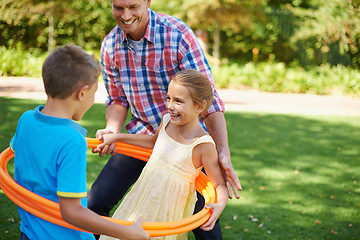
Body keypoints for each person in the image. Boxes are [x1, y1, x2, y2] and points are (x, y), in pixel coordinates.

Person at [89, 0, 242, 239]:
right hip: (144, 135)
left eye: (133, 6)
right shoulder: (110, 45)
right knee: (95, 202)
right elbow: (117, 99)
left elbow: (208, 99)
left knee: (205, 220)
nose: (125, 15)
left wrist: (222, 151)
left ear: (147, 2)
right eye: (118, 7)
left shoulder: (177, 34)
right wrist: (112, 131)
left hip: (184, 144)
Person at [10, 45, 150, 240]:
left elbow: (27, 154)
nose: (93, 99)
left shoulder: (26, 120)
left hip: (30, 233)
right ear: (82, 93)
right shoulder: (71, 142)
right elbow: (72, 212)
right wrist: (127, 232)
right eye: (94, 93)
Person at [97, 70, 229, 240]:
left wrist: (219, 205)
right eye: (169, 98)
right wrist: (116, 136)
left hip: (168, 212)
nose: (170, 106)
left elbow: (219, 184)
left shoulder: (203, 144)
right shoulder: (167, 121)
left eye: (178, 101)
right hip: (141, 198)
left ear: (199, 106)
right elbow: (153, 142)